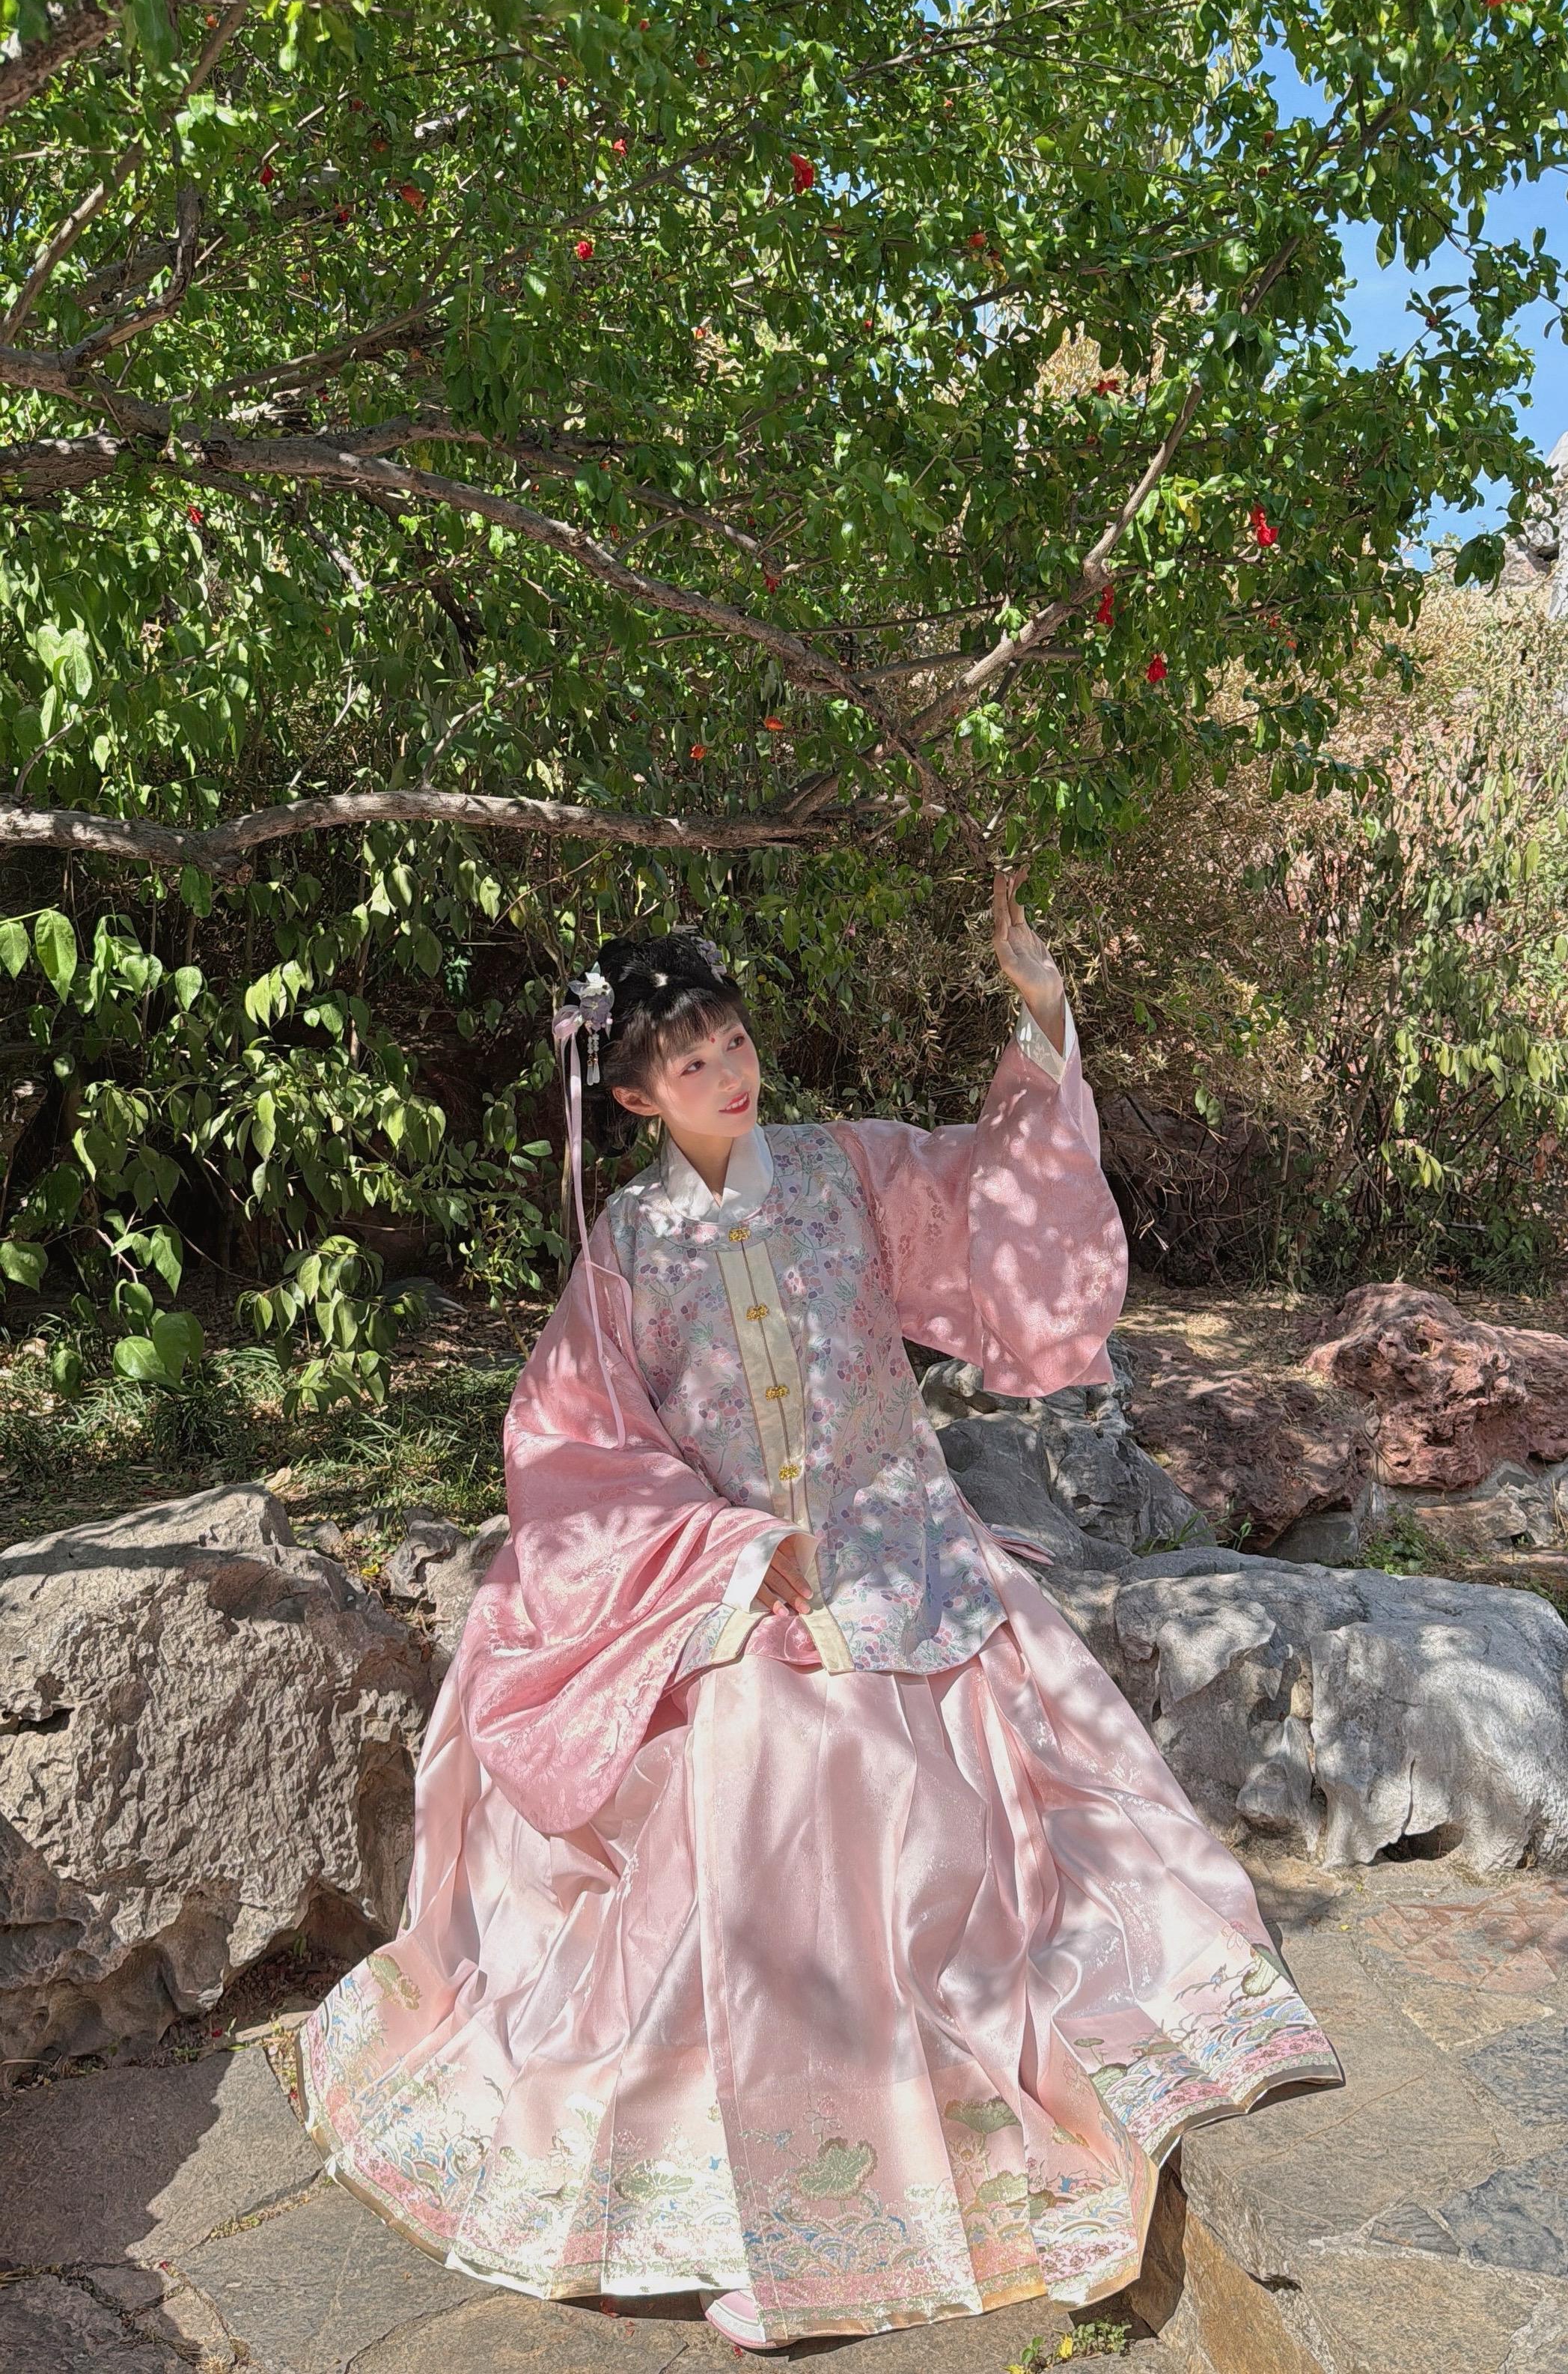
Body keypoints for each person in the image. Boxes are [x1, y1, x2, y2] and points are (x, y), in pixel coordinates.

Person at [295, 879, 1340, 2350]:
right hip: (728, 1577)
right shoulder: (627, 1253)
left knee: (914, 1775)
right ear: (639, 1096)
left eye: (734, 1041)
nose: (730, 1072)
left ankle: (906, 2113)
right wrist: (723, 1550)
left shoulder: (845, 1167)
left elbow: (1000, 1195)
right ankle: (757, 2185)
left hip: (896, 1543)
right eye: (692, 1061)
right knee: (761, 1761)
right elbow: (574, 1444)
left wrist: (1044, 1018)